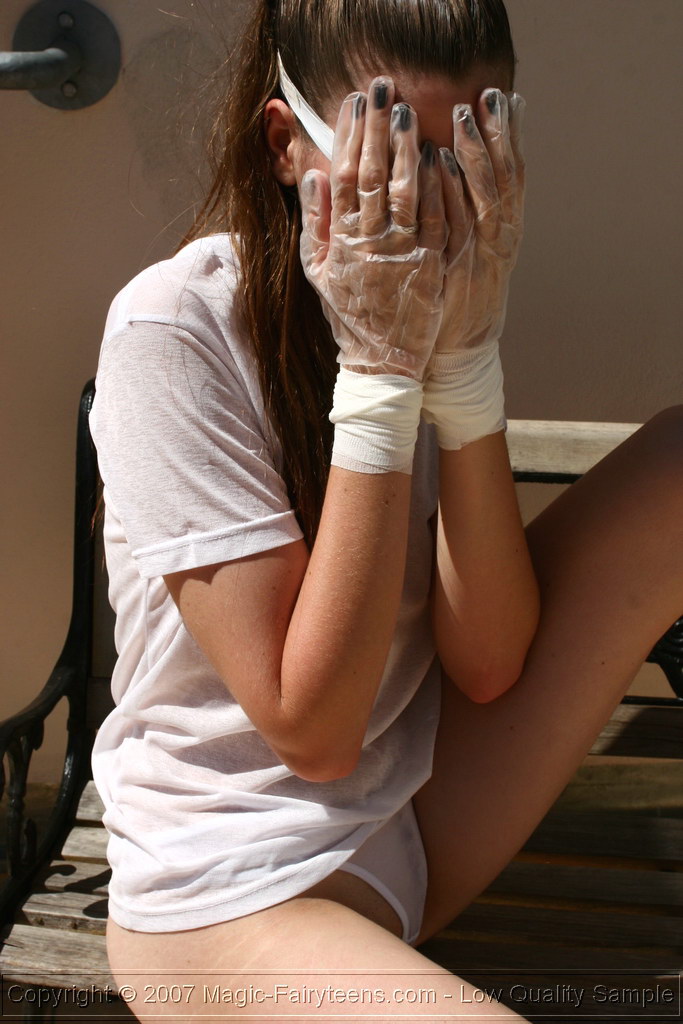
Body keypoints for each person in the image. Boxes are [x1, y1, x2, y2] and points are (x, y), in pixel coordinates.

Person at [89, 0, 683, 1018]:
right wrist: (378, 371)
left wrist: (464, 365)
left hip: (406, 821)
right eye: (392, 161)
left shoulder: (412, 293)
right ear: (286, 144)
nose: (427, 209)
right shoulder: (173, 329)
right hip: (229, 881)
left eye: (464, 164)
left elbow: (488, 661)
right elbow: (314, 735)